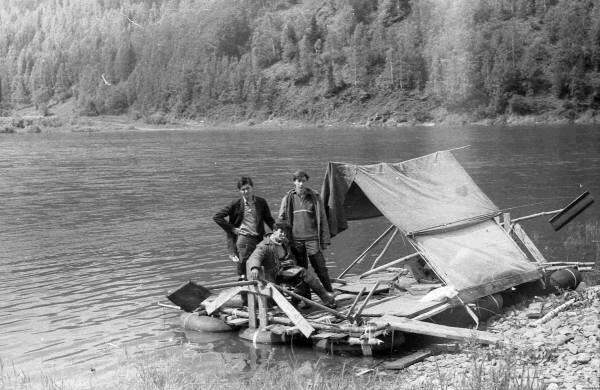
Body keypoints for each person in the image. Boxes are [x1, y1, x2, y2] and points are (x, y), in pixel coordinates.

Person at [247, 222, 336, 308]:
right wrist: (254, 268)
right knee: (303, 272)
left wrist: (290, 261)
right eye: (281, 232)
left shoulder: (285, 242)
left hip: (283, 271)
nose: (283, 235)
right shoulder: (264, 245)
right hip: (272, 275)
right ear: (274, 231)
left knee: (301, 281)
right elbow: (255, 257)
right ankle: (326, 298)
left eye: (285, 233)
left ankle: (294, 304)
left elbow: (290, 256)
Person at [278, 170, 333, 292]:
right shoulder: (287, 199)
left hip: (312, 239)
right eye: (298, 181)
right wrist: (282, 240)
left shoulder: (315, 198)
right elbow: (281, 220)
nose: (301, 184)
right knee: (301, 270)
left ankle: (329, 292)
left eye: (303, 181)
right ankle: (306, 299)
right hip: (296, 241)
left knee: (320, 267)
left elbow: (322, 219)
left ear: (306, 181)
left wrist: (324, 239)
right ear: (294, 182)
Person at [213, 176, 275, 280]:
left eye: (247, 188)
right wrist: (232, 229)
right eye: (243, 189)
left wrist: (277, 231)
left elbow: (269, 219)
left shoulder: (261, 202)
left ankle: (260, 289)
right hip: (244, 239)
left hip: (259, 238)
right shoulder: (236, 204)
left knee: (260, 264)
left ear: (252, 188)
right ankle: (243, 286)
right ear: (240, 191)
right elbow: (217, 217)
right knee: (244, 266)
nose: (246, 191)